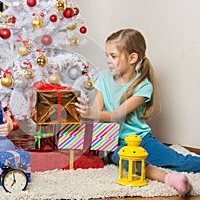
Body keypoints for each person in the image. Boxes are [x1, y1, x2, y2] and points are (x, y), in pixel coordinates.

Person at [75, 28, 200, 195]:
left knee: (179, 161)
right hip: (116, 143)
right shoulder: (104, 78)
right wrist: (86, 110)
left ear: (132, 58)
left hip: (142, 140)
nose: (108, 61)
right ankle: (170, 179)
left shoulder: (143, 86)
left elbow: (118, 114)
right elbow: (97, 111)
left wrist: (92, 113)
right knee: (129, 162)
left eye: (113, 56)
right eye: (107, 55)